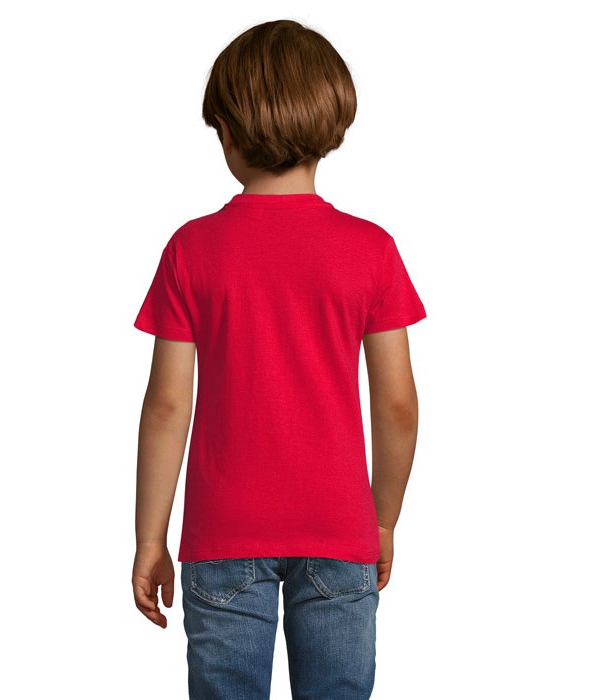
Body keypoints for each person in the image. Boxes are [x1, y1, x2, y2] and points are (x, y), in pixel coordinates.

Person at [131, 18, 425, 700]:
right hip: (340, 530)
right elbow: (398, 406)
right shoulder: (371, 250)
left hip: (223, 534)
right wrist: (382, 520)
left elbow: (168, 406)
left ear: (228, 135)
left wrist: (150, 537)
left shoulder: (192, 249)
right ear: (332, 122)